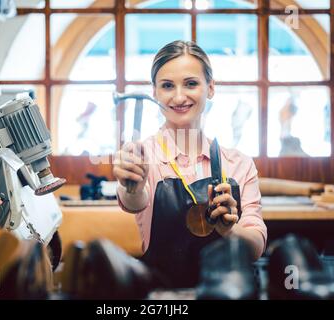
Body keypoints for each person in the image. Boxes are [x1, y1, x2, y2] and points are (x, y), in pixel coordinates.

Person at [113, 40, 267, 287]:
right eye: (167, 86)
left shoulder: (239, 164)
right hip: (163, 298)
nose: (179, 96)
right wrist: (132, 187)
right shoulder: (142, 157)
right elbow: (134, 202)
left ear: (211, 88)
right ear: (154, 92)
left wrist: (231, 231)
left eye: (191, 83)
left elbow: (256, 247)